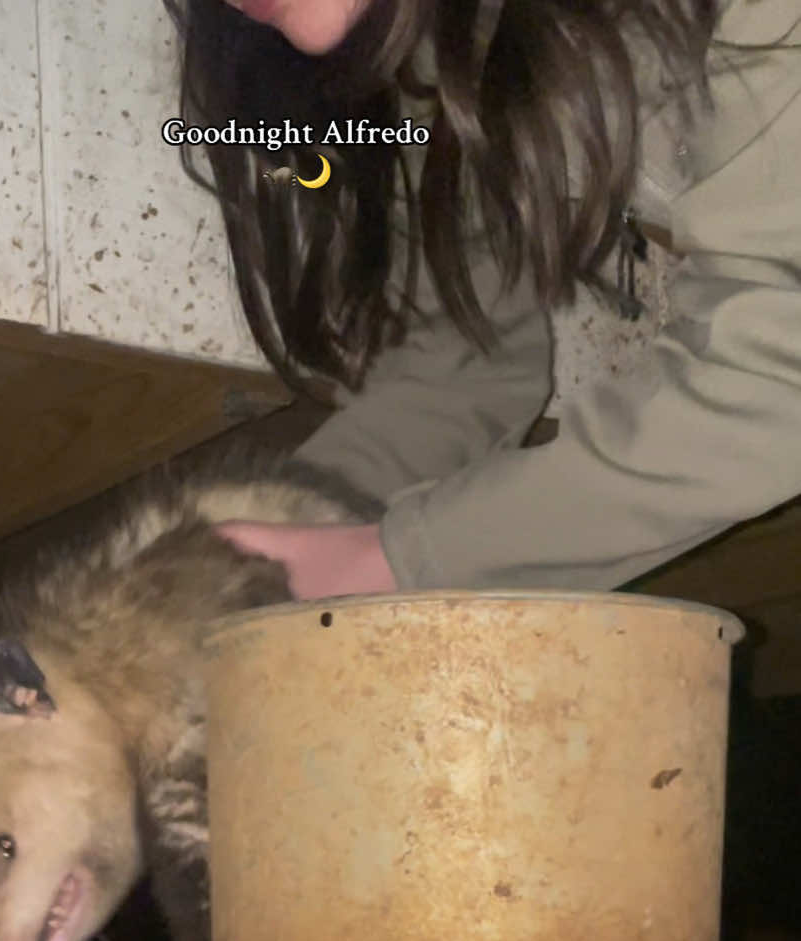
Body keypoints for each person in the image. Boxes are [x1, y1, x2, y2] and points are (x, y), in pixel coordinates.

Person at [164, 0, 800, 600]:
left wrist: (401, 558)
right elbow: (461, 365)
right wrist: (264, 533)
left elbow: (779, 371)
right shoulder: (439, 57)